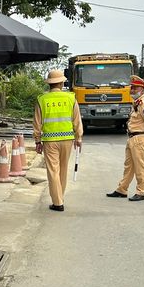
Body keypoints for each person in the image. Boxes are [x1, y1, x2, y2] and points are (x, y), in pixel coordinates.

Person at [34, 68, 83, 212]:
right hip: (67, 139)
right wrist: (78, 137)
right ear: (61, 83)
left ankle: (58, 202)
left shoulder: (42, 100)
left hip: (50, 141)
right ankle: (60, 197)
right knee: (63, 169)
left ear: (49, 84)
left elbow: (37, 123)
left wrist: (37, 141)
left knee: (53, 171)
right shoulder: (71, 98)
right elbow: (77, 120)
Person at [106, 75, 144, 201]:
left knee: (140, 167)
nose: (132, 90)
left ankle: (141, 192)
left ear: (142, 90)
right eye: (131, 88)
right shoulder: (137, 103)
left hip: (139, 138)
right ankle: (122, 189)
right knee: (129, 166)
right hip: (133, 137)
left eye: (135, 88)